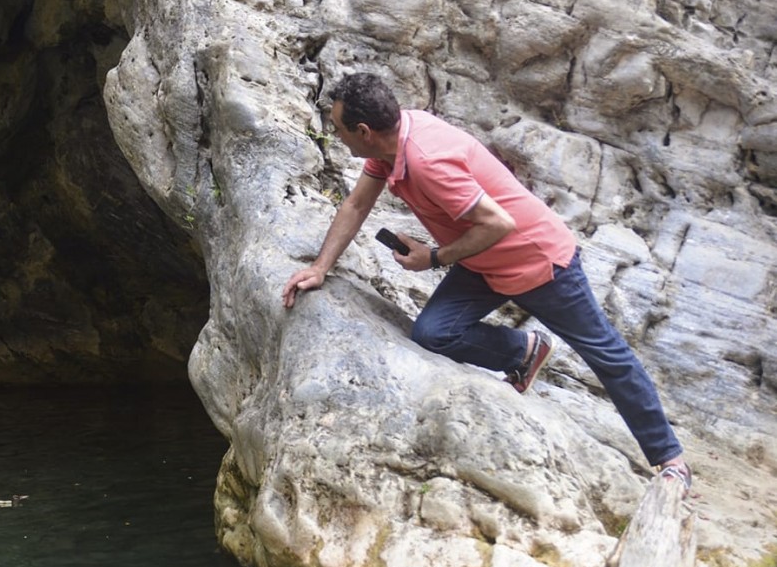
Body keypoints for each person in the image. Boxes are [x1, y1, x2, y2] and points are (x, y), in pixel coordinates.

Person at [281, 72, 691, 491]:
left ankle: (670, 460)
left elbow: (499, 222)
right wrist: (320, 267)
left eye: (338, 127)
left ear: (364, 131)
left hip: (539, 262)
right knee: (433, 333)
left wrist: (434, 257)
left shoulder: (427, 160)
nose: (336, 133)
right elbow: (356, 202)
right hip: (481, 262)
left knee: (607, 354)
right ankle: (525, 352)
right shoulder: (390, 146)